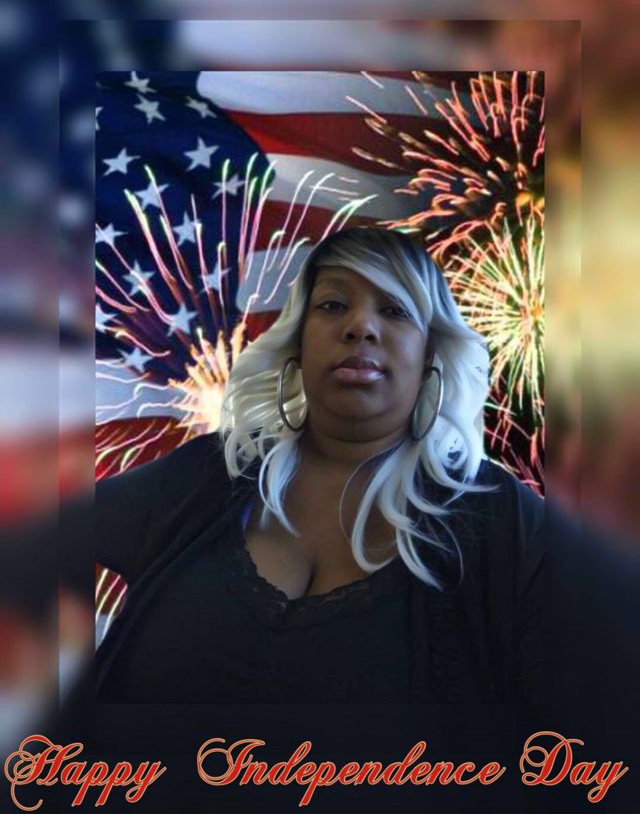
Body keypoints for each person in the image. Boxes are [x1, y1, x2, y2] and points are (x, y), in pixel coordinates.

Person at [92, 227, 544, 704]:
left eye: (394, 310)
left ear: (430, 351)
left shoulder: (498, 515)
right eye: (332, 305)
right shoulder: (207, 473)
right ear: (297, 342)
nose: (360, 326)